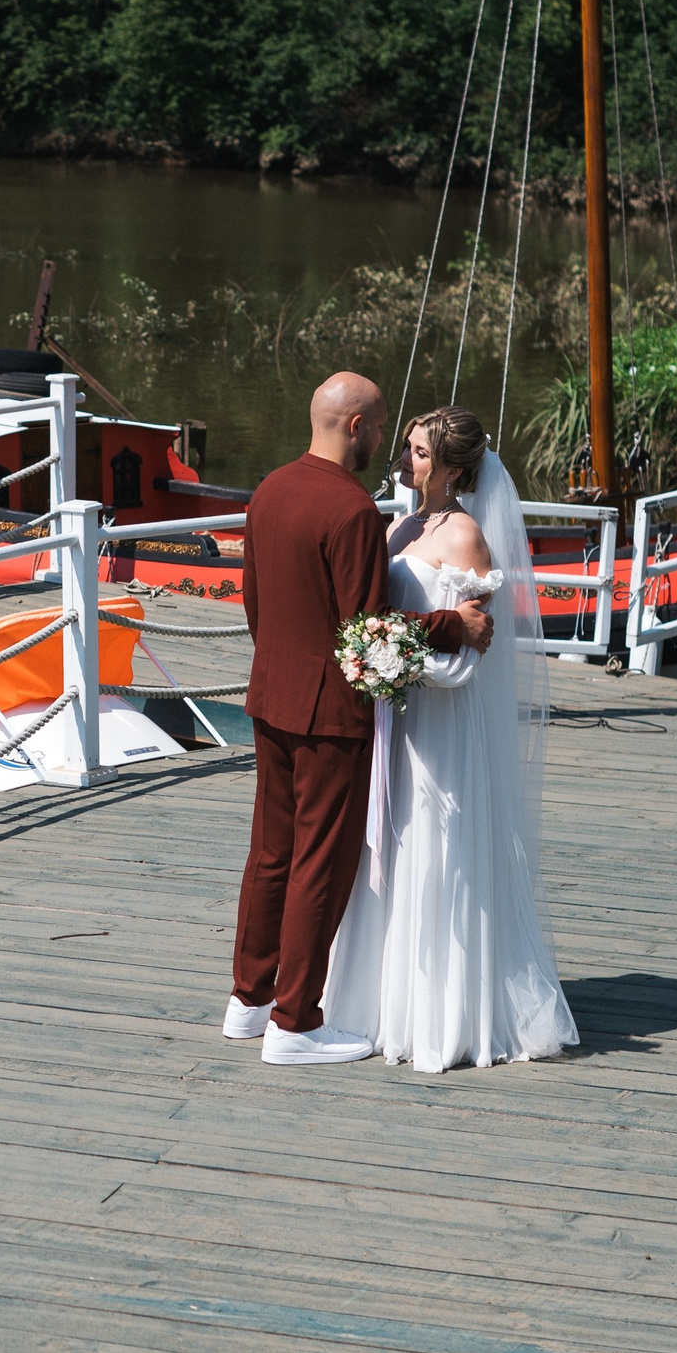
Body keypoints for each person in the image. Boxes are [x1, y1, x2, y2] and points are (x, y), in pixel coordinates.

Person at [228, 374, 493, 1066]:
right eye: (380, 429)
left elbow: (255, 604)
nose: (387, 446)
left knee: (270, 854)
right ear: (355, 427)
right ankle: (294, 1022)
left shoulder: (268, 490)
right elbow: (368, 629)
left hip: (270, 697)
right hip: (329, 713)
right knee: (319, 863)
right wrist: (453, 625)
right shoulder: (351, 510)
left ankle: (248, 1000)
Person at [323, 407, 580, 1070]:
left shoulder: (467, 537)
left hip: (441, 720)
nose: (406, 460)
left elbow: (471, 652)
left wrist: (395, 661)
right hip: (397, 716)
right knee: (388, 846)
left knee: (436, 847)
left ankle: (443, 1014)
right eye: (408, 448)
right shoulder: (398, 525)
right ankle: (377, 1004)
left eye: (420, 452)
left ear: (454, 469)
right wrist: (376, 659)